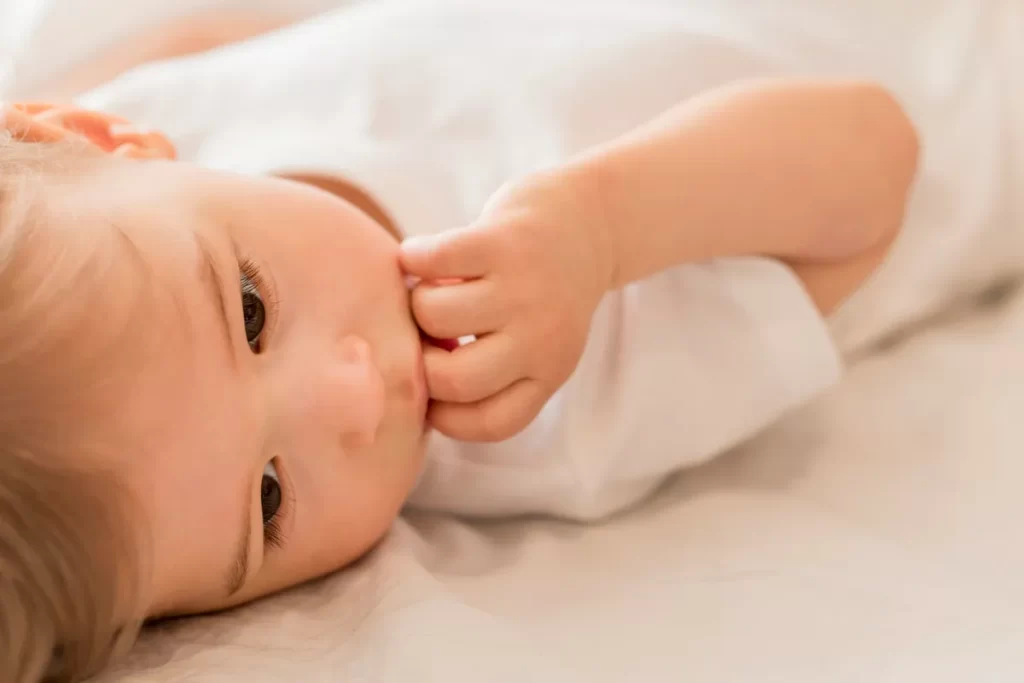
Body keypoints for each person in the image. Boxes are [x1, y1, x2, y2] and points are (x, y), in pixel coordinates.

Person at [2, 1, 1018, 681]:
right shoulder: (546, 409)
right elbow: (873, 152)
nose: (353, 395)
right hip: (963, 66)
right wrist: (603, 230)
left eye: (252, 311)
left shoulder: (138, 126)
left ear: (91, 135)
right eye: (269, 499)